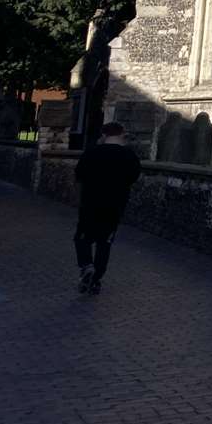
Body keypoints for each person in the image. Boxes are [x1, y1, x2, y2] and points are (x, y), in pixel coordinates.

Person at [73, 121, 142, 295]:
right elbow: (133, 177)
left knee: (82, 239)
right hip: (115, 206)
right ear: (121, 134)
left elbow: (79, 175)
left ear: (104, 135)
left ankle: (87, 265)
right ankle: (96, 280)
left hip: (90, 203)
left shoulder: (92, 152)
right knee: (105, 243)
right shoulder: (129, 156)